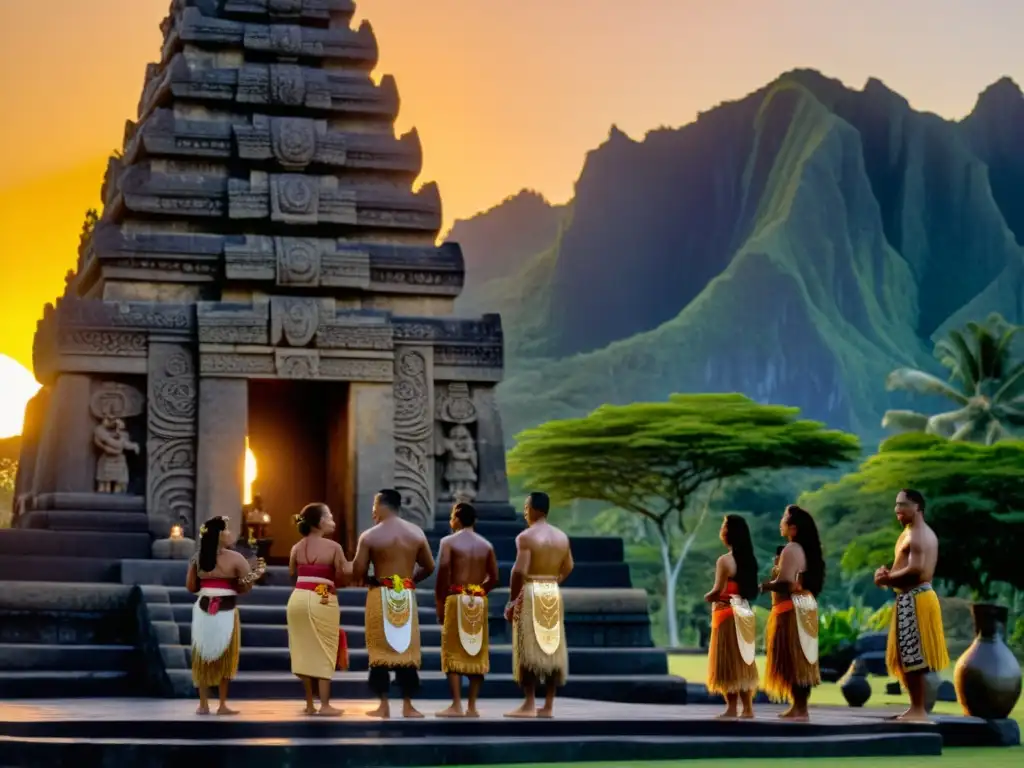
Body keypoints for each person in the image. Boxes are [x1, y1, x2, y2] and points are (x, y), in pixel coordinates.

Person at [352, 489, 435, 719]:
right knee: (406, 651)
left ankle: (384, 705)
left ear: (380, 506)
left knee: (380, 651)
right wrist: (408, 581)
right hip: (405, 594)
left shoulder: (369, 536)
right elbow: (429, 566)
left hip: (380, 593)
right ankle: (408, 706)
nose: (372, 513)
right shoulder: (416, 532)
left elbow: (358, 570)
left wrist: (370, 580)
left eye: (373, 508)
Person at [874, 489, 949, 722]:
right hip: (912, 597)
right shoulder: (910, 532)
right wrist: (887, 574)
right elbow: (906, 566)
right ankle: (915, 708)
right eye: (896, 504)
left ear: (917, 507)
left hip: (916, 597)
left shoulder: (917, 534)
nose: (898, 509)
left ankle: (918, 710)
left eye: (903, 504)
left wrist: (887, 579)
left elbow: (917, 569)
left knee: (913, 658)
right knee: (907, 656)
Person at [504, 491, 574, 719]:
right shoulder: (562, 537)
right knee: (552, 648)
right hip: (552, 591)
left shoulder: (526, 537)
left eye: (526, 507)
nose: (525, 511)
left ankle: (529, 703)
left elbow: (519, 571)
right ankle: (549, 705)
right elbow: (569, 566)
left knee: (528, 649)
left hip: (531, 591)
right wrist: (553, 581)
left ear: (534, 509)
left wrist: (513, 600)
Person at [186, 515, 265, 715]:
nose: (230, 533)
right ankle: (221, 704)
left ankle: (203, 704)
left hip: (204, 608)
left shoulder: (198, 558)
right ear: (219, 535)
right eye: (226, 530)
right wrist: (255, 574)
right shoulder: (236, 558)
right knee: (224, 654)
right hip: (226, 609)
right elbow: (246, 585)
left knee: (203, 653)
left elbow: (191, 586)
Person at [434, 501, 499, 718]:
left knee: (453, 652)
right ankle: (472, 706)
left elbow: (442, 576)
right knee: (476, 654)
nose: (450, 520)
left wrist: (440, 606)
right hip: (478, 601)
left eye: (452, 516)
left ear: (458, 519)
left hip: (455, 598)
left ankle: (456, 705)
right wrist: (479, 591)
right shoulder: (486, 545)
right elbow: (494, 578)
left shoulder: (448, 542)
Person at [760, 504, 824, 721]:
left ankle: (800, 708)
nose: (781, 523)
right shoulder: (806, 550)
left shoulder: (792, 549)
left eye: (784, 520)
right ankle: (799, 707)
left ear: (793, 528)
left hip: (791, 610)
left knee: (793, 659)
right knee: (800, 660)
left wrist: (765, 585)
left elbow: (786, 582)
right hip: (804, 605)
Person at [286, 502, 351, 716]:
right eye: (330, 515)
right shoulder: (333, 547)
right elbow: (345, 573)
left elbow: (292, 572)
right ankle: (324, 705)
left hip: (298, 597)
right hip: (322, 595)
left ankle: (309, 704)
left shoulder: (296, 547)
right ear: (321, 522)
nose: (332, 520)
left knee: (304, 650)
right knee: (324, 648)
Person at [704, 514, 760, 719]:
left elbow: (717, 591)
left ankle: (730, 708)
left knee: (727, 662)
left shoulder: (724, 561)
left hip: (726, 614)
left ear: (728, 533)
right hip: (744, 612)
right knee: (744, 662)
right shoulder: (749, 560)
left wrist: (707, 597)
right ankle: (748, 708)